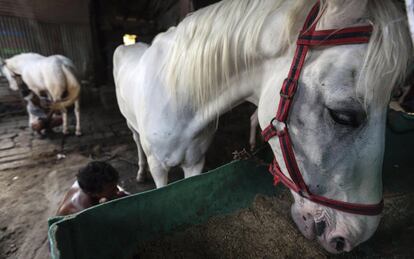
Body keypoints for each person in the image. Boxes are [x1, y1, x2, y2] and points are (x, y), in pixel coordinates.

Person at [56, 161, 129, 216]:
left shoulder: (86, 183)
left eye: (115, 186)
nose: (117, 190)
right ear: (94, 193)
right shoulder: (82, 210)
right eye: (112, 189)